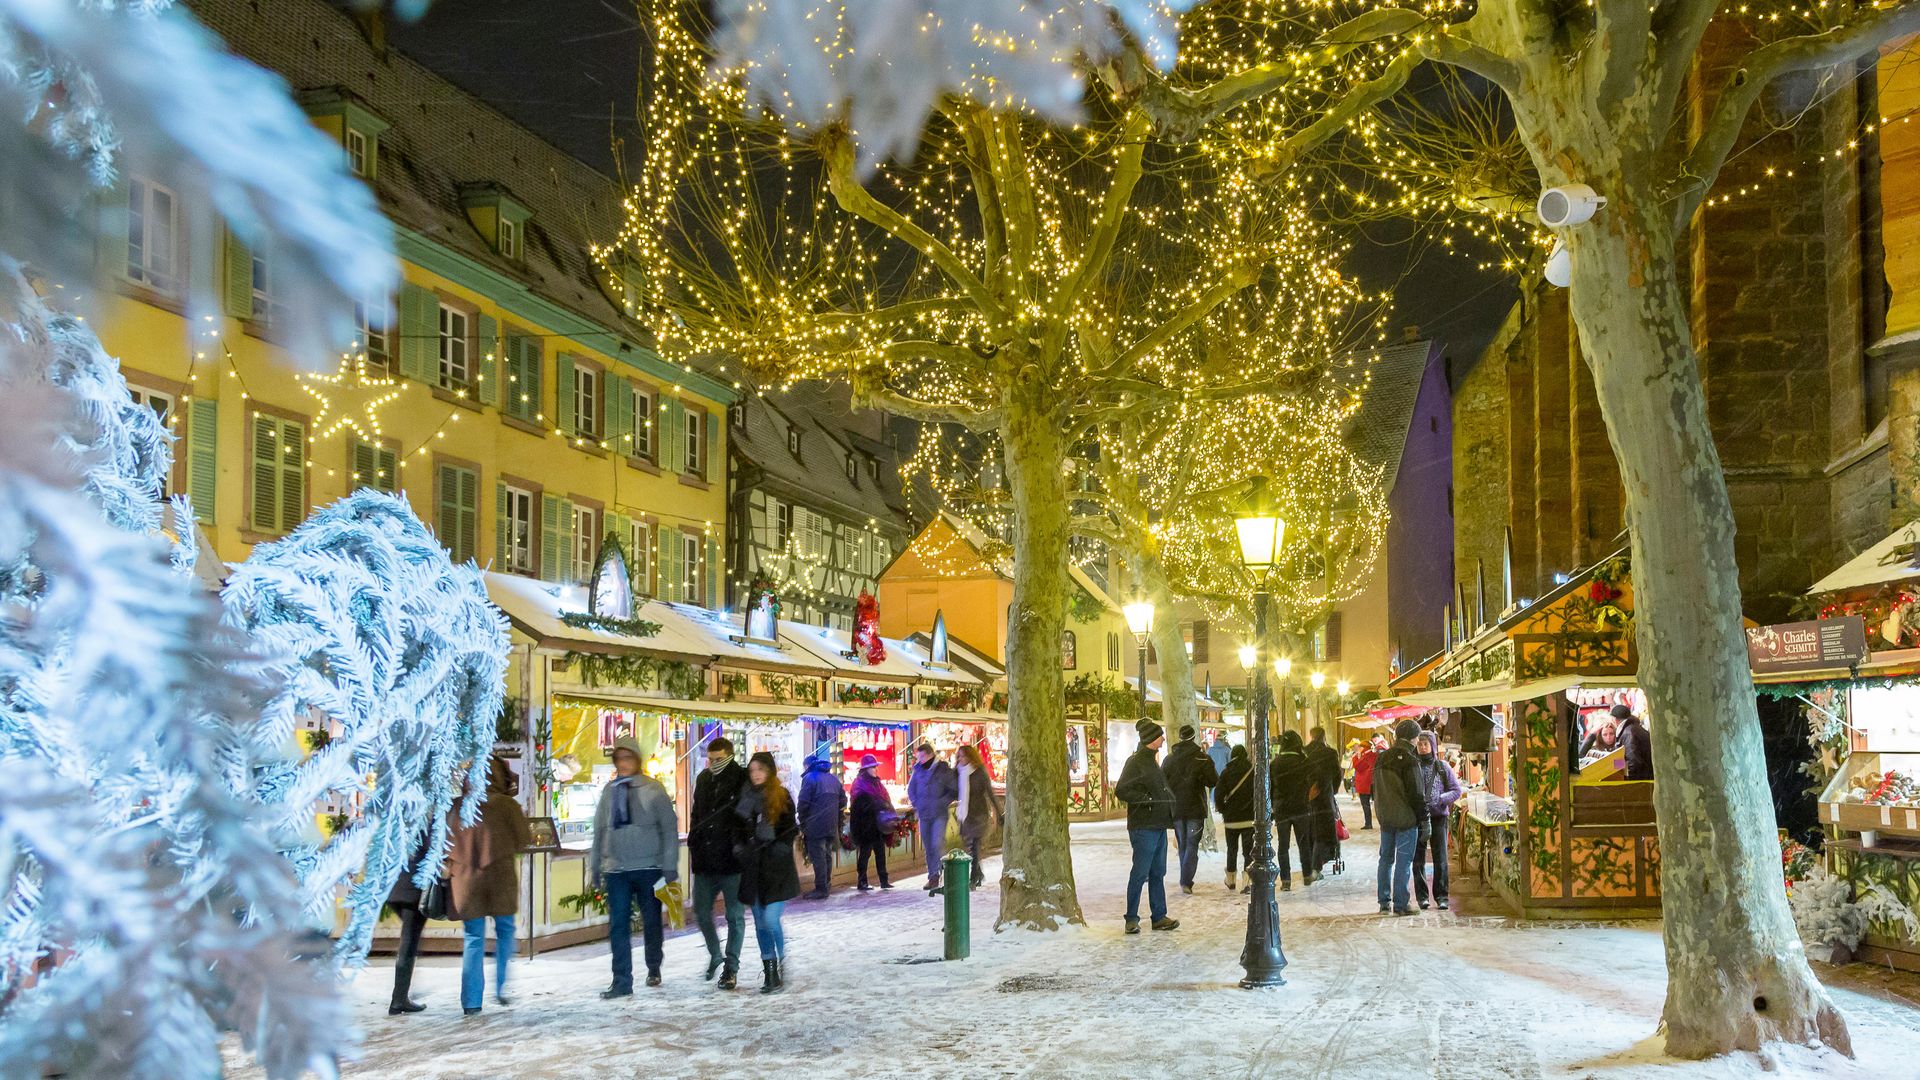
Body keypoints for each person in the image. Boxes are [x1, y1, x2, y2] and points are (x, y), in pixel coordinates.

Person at [588, 736, 680, 998]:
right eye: (619, 759)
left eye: (628, 758)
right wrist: (595, 865)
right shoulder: (609, 791)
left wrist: (669, 865)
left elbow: (669, 829)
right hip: (616, 869)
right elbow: (599, 830)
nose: (623, 763)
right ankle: (621, 980)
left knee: (651, 920)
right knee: (618, 925)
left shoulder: (653, 789)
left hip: (648, 867)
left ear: (637, 760)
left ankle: (653, 964)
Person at [447, 753, 533, 1015]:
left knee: (473, 938)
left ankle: (471, 1001)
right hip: (501, 879)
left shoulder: (458, 805)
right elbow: (523, 840)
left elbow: (444, 843)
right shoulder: (507, 805)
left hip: (465, 882)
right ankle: (501, 986)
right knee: (505, 930)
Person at [736, 751, 801, 994]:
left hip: (776, 870)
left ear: (770, 771)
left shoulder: (781, 797)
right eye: (752, 771)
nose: (755, 775)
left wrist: (779, 847)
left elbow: (790, 829)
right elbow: (737, 830)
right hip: (753, 868)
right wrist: (740, 847)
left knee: (770, 920)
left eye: (760, 770)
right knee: (760, 924)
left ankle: (781, 958)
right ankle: (770, 972)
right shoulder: (743, 799)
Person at [689, 736, 749, 989]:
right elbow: (695, 814)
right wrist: (694, 840)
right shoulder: (703, 779)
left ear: (730, 756)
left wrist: (741, 844)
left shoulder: (742, 778)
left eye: (719, 760)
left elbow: (747, 815)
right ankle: (715, 953)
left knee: (734, 916)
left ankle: (731, 968)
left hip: (732, 860)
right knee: (701, 911)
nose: (713, 764)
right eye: (710, 759)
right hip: (705, 859)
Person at [1112, 718, 1179, 934]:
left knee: (1158, 872)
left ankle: (1159, 916)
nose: (1163, 738)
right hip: (1144, 826)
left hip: (1158, 825)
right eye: (1160, 735)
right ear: (1151, 739)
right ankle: (1131, 918)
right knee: (1140, 873)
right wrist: (1147, 800)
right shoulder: (1136, 762)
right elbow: (1122, 790)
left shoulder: (1152, 761)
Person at [1373, 719, 1427, 915]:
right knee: (1403, 862)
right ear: (1413, 738)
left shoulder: (1381, 758)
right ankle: (1401, 904)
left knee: (1385, 860)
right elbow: (1417, 794)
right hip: (1406, 819)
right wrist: (1424, 819)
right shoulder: (1410, 760)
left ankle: (1384, 902)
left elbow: (1375, 788)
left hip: (1385, 817)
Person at [1161, 724, 1219, 895]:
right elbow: (1213, 781)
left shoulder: (1169, 759)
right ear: (1194, 738)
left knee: (1183, 844)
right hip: (1195, 807)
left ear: (1179, 737)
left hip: (1177, 808)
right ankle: (1186, 880)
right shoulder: (1202, 759)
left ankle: (1185, 878)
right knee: (1192, 845)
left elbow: (1163, 782)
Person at [1411, 732, 1466, 910]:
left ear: (1432, 746)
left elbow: (1456, 790)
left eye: (1426, 744)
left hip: (1439, 818)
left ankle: (1442, 896)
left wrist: (1440, 799)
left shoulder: (1442, 767)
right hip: (1417, 818)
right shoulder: (1412, 767)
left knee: (1440, 858)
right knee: (1417, 859)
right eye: (1419, 744)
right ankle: (1422, 897)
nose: (1422, 747)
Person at [385, 838, 431, 1015]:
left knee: (410, 940)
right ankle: (399, 999)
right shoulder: (425, 820)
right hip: (412, 890)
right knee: (409, 942)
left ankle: (400, 997)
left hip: (395, 886)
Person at [906, 742, 958, 890]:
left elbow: (954, 790)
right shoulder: (918, 770)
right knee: (928, 846)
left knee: (937, 843)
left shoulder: (943, 769)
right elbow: (911, 789)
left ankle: (941, 871)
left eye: (921, 756)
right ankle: (933, 876)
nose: (919, 759)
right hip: (924, 813)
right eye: (918, 756)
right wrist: (917, 803)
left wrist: (942, 802)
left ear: (930, 754)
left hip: (939, 813)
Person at [1267, 730, 1315, 890]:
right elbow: (1312, 782)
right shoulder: (1305, 762)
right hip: (1301, 807)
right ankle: (1307, 874)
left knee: (1283, 845)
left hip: (1282, 808)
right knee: (1304, 843)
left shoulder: (1275, 764)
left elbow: (1270, 788)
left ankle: (1285, 880)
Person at [797, 752, 847, 899]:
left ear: (807, 766)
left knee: (818, 856)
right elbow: (843, 802)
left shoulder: (809, 779)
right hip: (831, 824)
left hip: (815, 824)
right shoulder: (833, 779)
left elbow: (803, 803)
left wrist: (803, 820)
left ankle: (821, 889)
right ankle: (826, 884)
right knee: (826, 856)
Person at [847, 754, 896, 891]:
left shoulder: (877, 782)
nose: (875, 769)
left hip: (878, 824)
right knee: (865, 853)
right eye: (872, 767)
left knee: (880, 852)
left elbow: (885, 798)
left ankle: (884, 880)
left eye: (875, 766)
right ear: (865, 769)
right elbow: (859, 804)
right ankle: (862, 881)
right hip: (866, 825)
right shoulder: (859, 784)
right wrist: (876, 804)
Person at [954, 743, 1000, 888]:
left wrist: (999, 812)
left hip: (979, 814)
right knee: (970, 848)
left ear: (970, 756)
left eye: (963, 756)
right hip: (965, 815)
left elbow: (990, 793)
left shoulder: (979, 772)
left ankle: (973, 879)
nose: (961, 759)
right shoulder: (957, 772)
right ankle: (978, 874)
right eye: (959, 756)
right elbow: (951, 790)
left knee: (975, 846)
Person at [1214, 744, 1257, 893]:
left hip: (1231, 819)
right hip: (1248, 818)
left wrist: (1223, 810)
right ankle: (1247, 882)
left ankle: (1231, 880)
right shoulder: (1252, 771)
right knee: (1248, 851)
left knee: (1232, 849)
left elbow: (1218, 794)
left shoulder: (1226, 772)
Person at [1305, 726, 1342, 876]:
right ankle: (1316, 867)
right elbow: (1337, 775)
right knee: (1322, 832)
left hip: (1306, 798)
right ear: (1324, 736)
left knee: (1309, 831)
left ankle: (1309, 864)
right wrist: (1333, 790)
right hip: (1325, 798)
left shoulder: (1305, 752)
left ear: (1311, 736)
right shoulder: (1330, 753)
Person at [1615, 704, 1653, 780]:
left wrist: (1629, 783)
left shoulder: (1629, 733)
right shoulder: (1633, 729)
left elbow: (1633, 761)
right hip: (1645, 777)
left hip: (1640, 780)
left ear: (1615, 719)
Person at [1352, 736, 1380, 829]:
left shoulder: (1362, 757)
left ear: (1363, 748)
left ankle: (1368, 823)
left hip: (1364, 784)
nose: (1358, 749)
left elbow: (1357, 766)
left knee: (1365, 804)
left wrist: (1357, 756)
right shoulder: (1376, 755)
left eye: (1360, 747)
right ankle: (1382, 823)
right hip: (1375, 782)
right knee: (1378, 804)